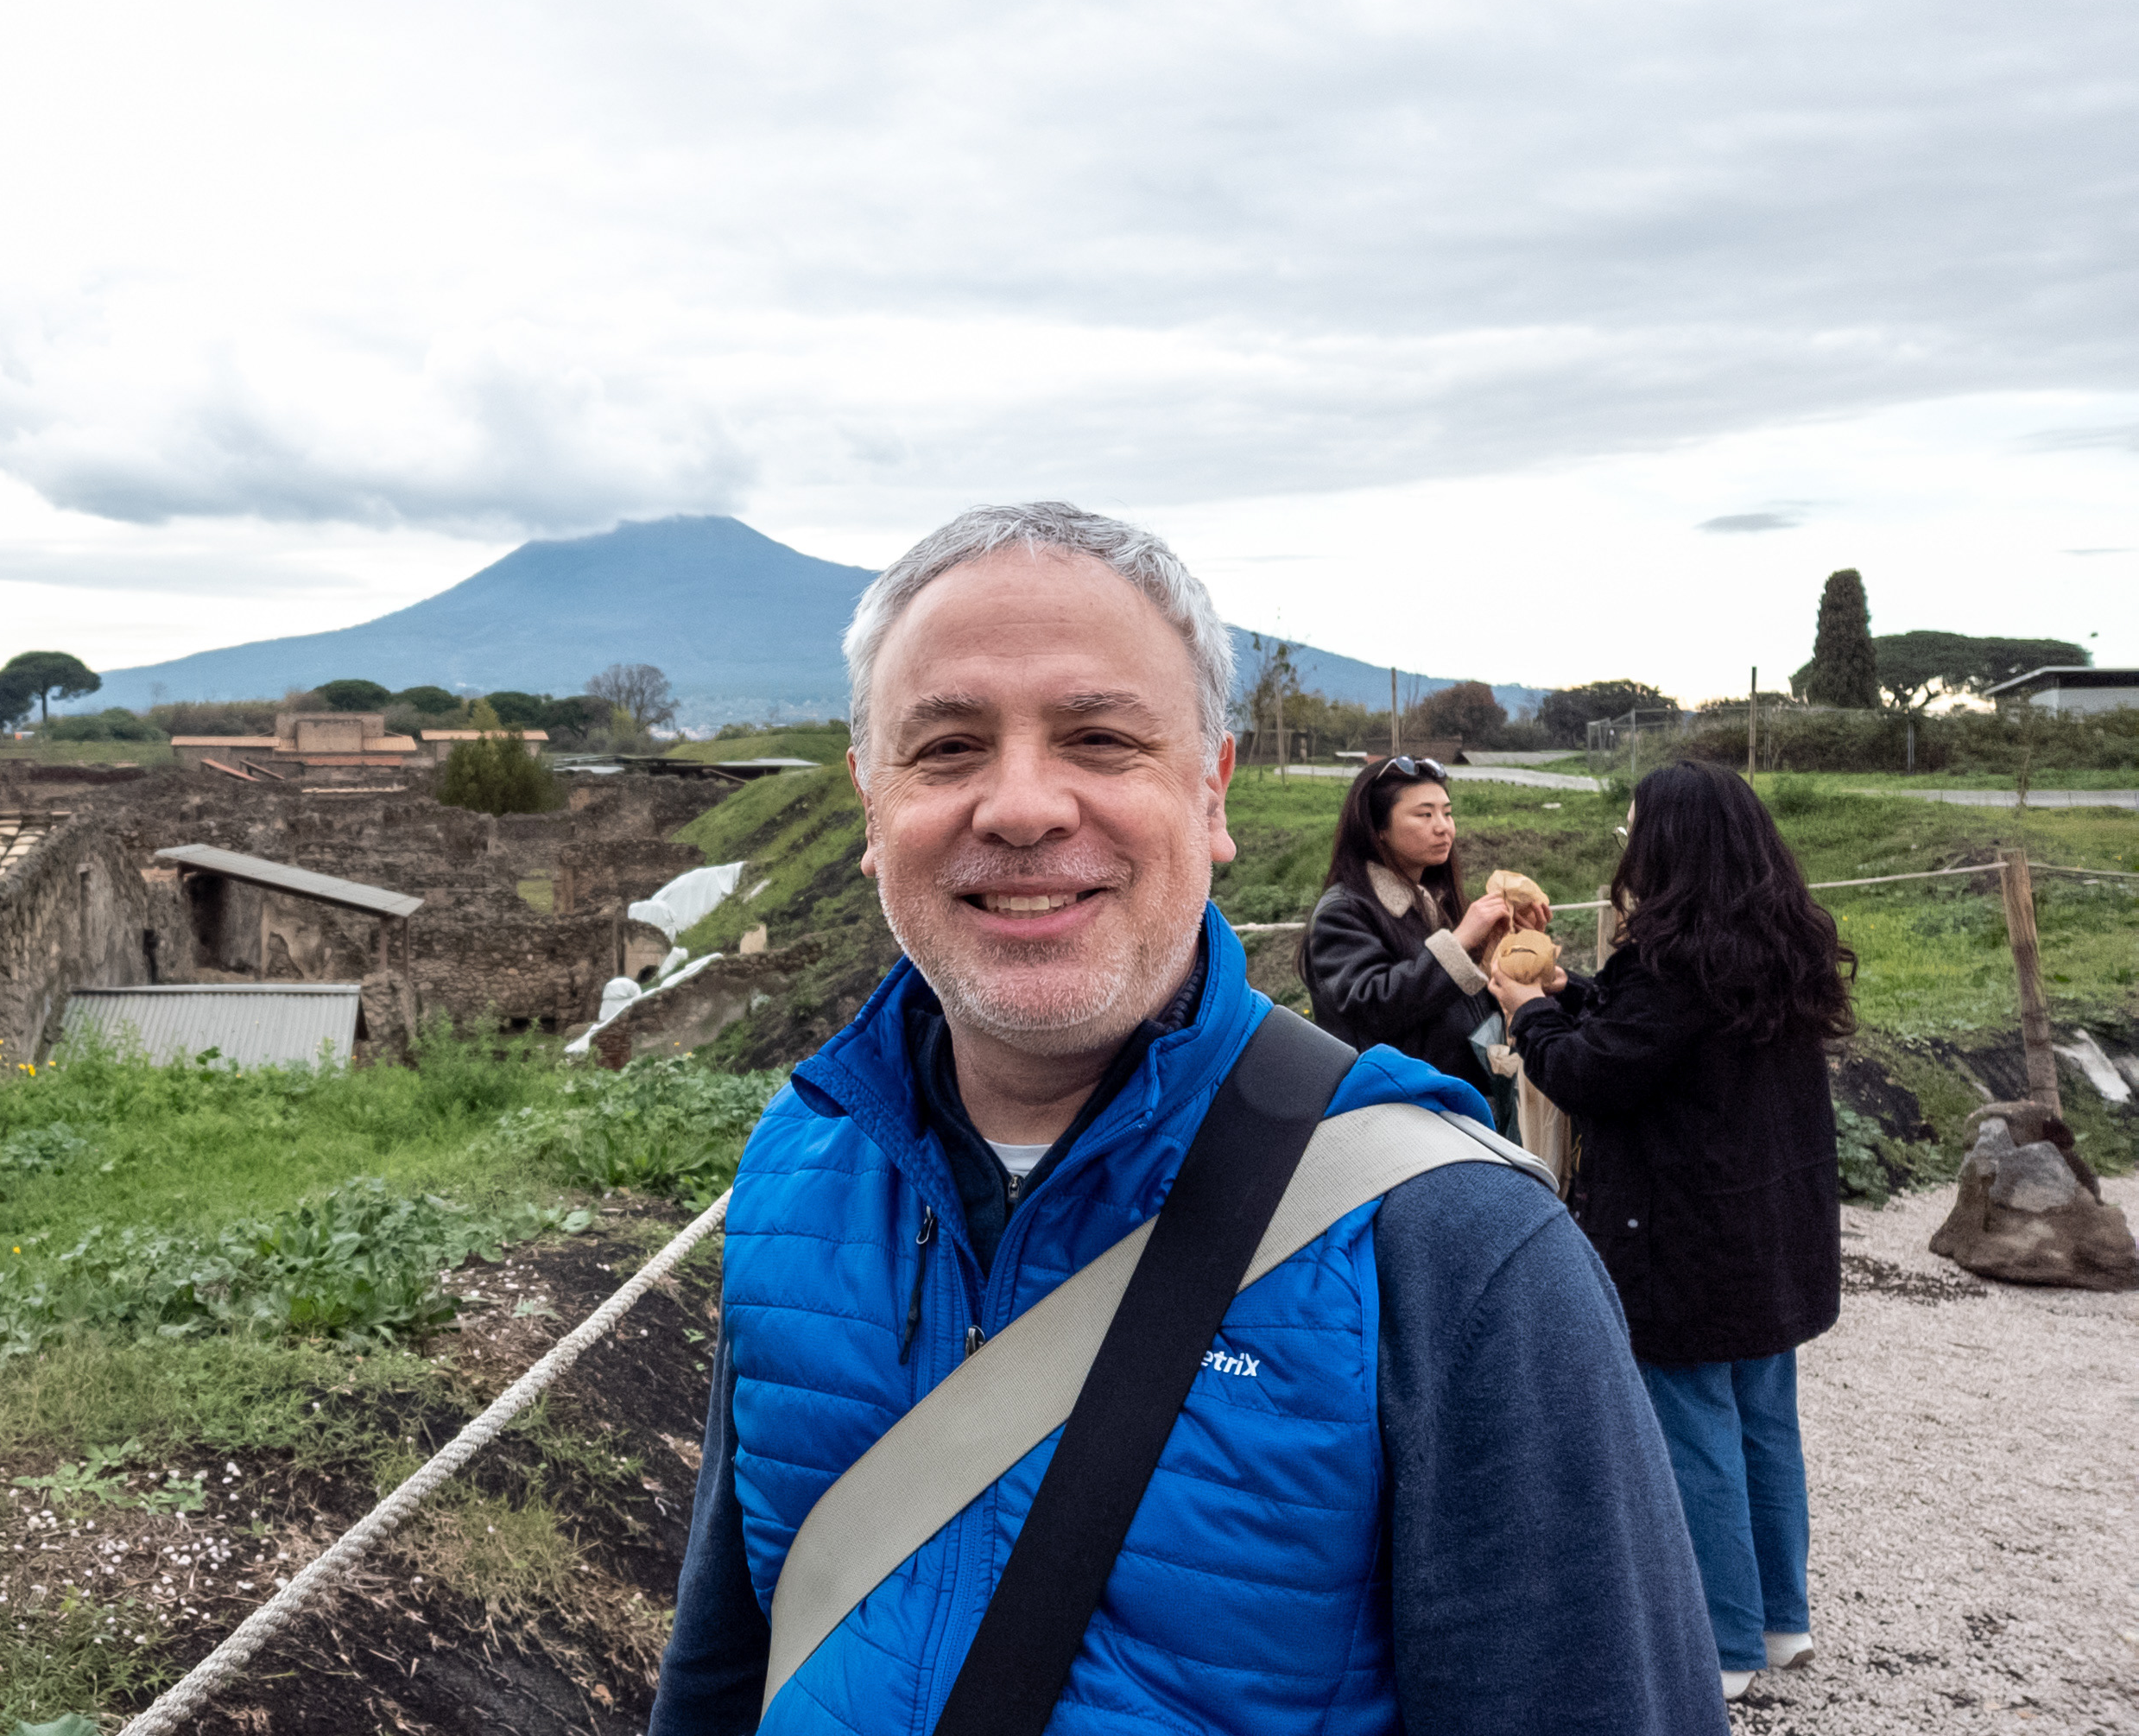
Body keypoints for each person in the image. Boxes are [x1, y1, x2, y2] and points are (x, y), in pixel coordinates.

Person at [649, 503, 1724, 1736]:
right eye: (945, 749)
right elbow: (725, 1669)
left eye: (1100, 738)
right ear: (870, 805)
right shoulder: (800, 1167)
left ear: (1210, 792)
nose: (1019, 807)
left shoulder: (1458, 1251)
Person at [1490, 758, 1848, 1703]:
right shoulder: (1781, 943)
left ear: (1670, 845)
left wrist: (1528, 1015)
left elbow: (1595, 1076)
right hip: (1774, 1229)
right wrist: (1569, 995)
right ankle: (1778, 1621)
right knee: (1765, 1423)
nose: (1627, 848)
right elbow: (1638, 1037)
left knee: (1692, 1430)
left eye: (1636, 830)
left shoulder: (1671, 960)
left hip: (1687, 1236)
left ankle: (1721, 1646)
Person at [1301, 757, 1527, 1114]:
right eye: (1425, 815)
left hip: (1456, 1102)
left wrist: (1508, 943)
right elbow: (1374, 1006)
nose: (1444, 828)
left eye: (1447, 813)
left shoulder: (1435, 900)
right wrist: (1460, 941)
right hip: (1397, 1112)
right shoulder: (1343, 911)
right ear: (1379, 830)